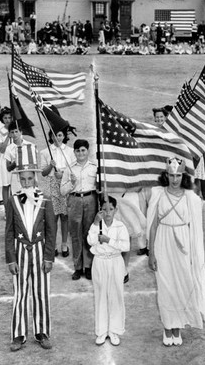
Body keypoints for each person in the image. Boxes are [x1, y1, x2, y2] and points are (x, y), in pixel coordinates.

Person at [147, 157, 205, 346]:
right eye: (171, 175)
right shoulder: (158, 193)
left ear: (183, 176)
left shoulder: (191, 197)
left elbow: (194, 228)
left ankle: (178, 327)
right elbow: (153, 224)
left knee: (182, 284)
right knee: (165, 287)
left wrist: (194, 253)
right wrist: (151, 253)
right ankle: (167, 327)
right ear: (166, 175)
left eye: (178, 175)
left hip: (183, 244)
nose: (175, 179)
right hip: (162, 241)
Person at [5, 167, 57, 351]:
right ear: (19, 180)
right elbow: (9, 230)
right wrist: (11, 259)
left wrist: (49, 256)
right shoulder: (12, 200)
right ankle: (18, 334)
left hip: (40, 250)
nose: (26, 183)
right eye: (23, 180)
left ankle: (42, 332)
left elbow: (51, 230)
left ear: (34, 179)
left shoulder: (45, 199)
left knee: (41, 292)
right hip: (20, 250)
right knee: (20, 293)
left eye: (29, 179)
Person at [87, 195, 130, 346]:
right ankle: (101, 331)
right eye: (104, 209)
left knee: (115, 295)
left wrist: (108, 240)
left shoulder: (120, 226)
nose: (107, 213)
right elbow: (91, 241)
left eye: (110, 209)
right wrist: (94, 223)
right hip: (100, 262)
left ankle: (114, 330)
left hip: (115, 262)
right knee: (100, 295)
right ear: (100, 211)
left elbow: (125, 247)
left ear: (115, 210)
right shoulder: (97, 225)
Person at [60, 139, 97, 281]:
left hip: (90, 199)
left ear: (88, 151)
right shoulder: (69, 168)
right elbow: (62, 191)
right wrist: (71, 183)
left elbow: (99, 186)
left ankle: (88, 266)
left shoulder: (94, 167)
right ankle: (77, 267)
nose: (80, 153)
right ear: (74, 152)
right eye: (78, 150)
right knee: (75, 235)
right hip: (74, 200)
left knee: (89, 233)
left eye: (83, 150)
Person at [40, 127, 75, 258]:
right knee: (52, 217)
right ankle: (53, 244)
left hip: (65, 184)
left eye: (59, 135)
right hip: (52, 185)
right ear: (50, 137)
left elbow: (73, 170)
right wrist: (50, 165)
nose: (57, 138)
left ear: (63, 136)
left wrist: (63, 174)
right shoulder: (45, 152)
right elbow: (43, 172)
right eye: (53, 135)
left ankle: (64, 244)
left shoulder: (70, 151)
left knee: (64, 216)